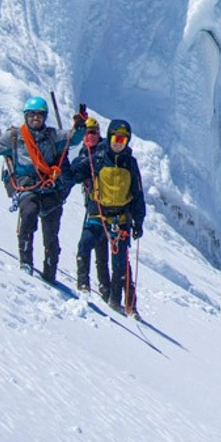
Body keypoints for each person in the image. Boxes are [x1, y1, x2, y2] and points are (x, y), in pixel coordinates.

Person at [0, 95, 86, 283]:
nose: (36, 118)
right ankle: (26, 261)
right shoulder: (14, 138)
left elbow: (74, 139)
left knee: (51, 233)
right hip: (27, 186)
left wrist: (80, 126)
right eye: (32, 115)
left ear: (44, 117)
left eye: (39, 115)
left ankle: (50, 271)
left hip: (51, 189)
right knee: (28, 213)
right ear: (26, 116)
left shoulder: (53, 136)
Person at [65, 118, 145, 313]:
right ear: (109, 137)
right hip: (98, 213)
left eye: (123, 140)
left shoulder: (130, 164)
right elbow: (74, 174)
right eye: (116, 138)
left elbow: (137, 194)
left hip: (121, 219)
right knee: (85, 245)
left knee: (119, 263)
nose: (119, 142)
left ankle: (117, 303)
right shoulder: (96, 158)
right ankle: (83, 285)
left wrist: (138, 221)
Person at [74, 116, 111, 299]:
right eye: (87, 133)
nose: (90, 136)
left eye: (93, 132)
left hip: (106, 209)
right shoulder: (84, 153)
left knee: (91, 246)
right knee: (96, 248)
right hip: (93, 206)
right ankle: (94, 286)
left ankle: (99, 288)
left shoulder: (104, 152)